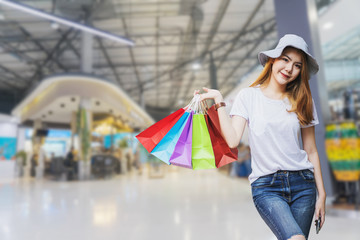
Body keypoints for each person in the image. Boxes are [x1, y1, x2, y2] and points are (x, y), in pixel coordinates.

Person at [196, 34, 326, 240]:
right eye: (285, 60)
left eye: (297, 65)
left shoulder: (302, 100)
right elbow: (232, 140)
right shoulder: (248, 96)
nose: (289, 69)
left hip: (304, 184)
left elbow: (311, 150)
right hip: (267, 187)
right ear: (273, 60)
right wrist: (219, 102)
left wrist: (322, 194)